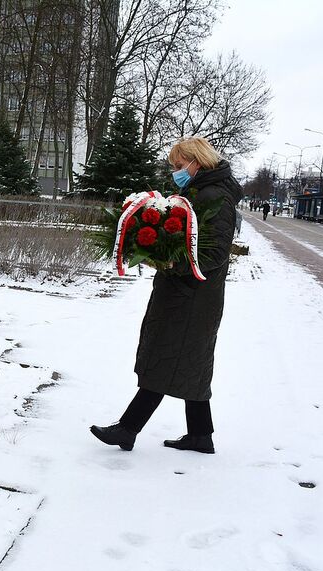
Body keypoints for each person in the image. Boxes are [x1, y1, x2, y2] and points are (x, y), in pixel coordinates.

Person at [90, 137, 241, 454]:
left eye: (179, 165)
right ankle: (200, 435)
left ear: (197, 162)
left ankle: (128, 429)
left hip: (192, 295)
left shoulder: (214, 195)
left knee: (167, 357)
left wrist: (172, 263)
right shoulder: (202, 190)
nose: (176, 171)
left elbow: (215, 253)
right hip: (190, 294)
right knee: (189, 363)